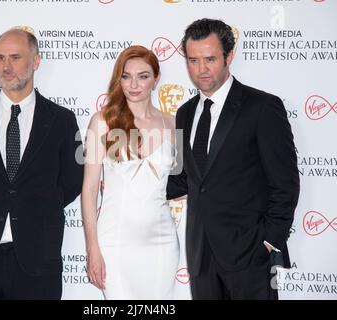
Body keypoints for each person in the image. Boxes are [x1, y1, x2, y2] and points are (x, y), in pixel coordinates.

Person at [167, 18, 300, 300]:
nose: (200, 69)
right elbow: (183, 179)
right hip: (201, 255)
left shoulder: (262, 107)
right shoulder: (185, 113)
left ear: (229, 56)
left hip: (250, 256)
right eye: (193, 60)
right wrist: (129, 179)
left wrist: (267, 241)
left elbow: (285, 183)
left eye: (210, 59)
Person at [0, 28, 83, 299]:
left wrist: (38, 204)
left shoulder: (62, 120)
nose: (5, 66)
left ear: (35, 61)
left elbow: (72, 181)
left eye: (14, 57)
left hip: (38, 259)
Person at [82, 45, 179, 299]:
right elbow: (90, 190)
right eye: (126, 76)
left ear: (156, 78)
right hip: (114, 242)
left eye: (143, 76)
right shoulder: (102, 122)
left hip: (162, 242)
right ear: (119, 79)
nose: (134, 84)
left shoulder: (172, 123)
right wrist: (92, 248)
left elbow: (184, 183)